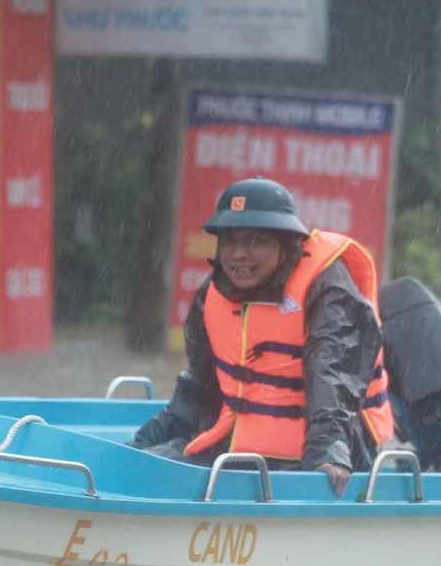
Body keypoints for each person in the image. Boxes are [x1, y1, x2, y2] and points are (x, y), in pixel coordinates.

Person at [131, 177, 396, 496]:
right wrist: (138, 448)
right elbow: (200, 392)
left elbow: (334, 379)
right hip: (244, 448)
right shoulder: (213, 294)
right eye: (229, 241)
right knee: (144, 466)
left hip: (331, 453)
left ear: (286, 243)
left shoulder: (329, 290)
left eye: (254, 240)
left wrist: (329, 452)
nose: (238, 254)